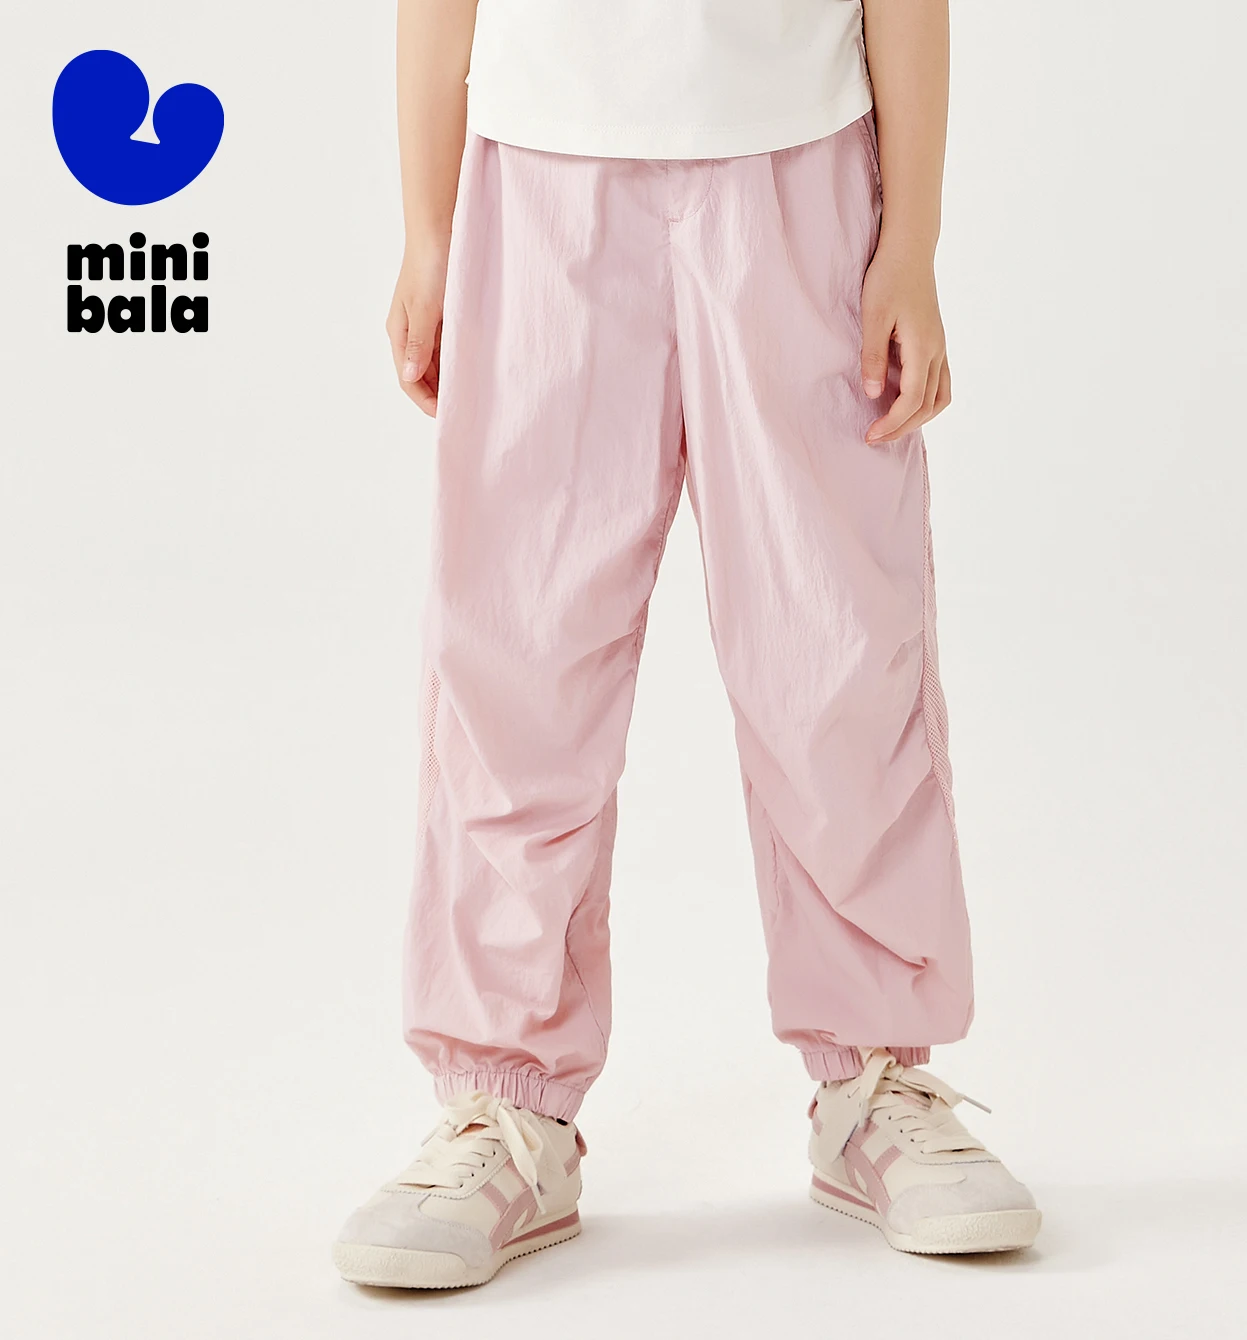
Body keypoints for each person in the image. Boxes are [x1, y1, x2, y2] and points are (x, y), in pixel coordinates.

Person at [333, 0, 1040, 1289]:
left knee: (836, 649)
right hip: (540, 184)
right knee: (519, 658)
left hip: (799, 177)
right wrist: (429, 233)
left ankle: (874, 1078)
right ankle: (503, 1102)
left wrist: (912, 243)